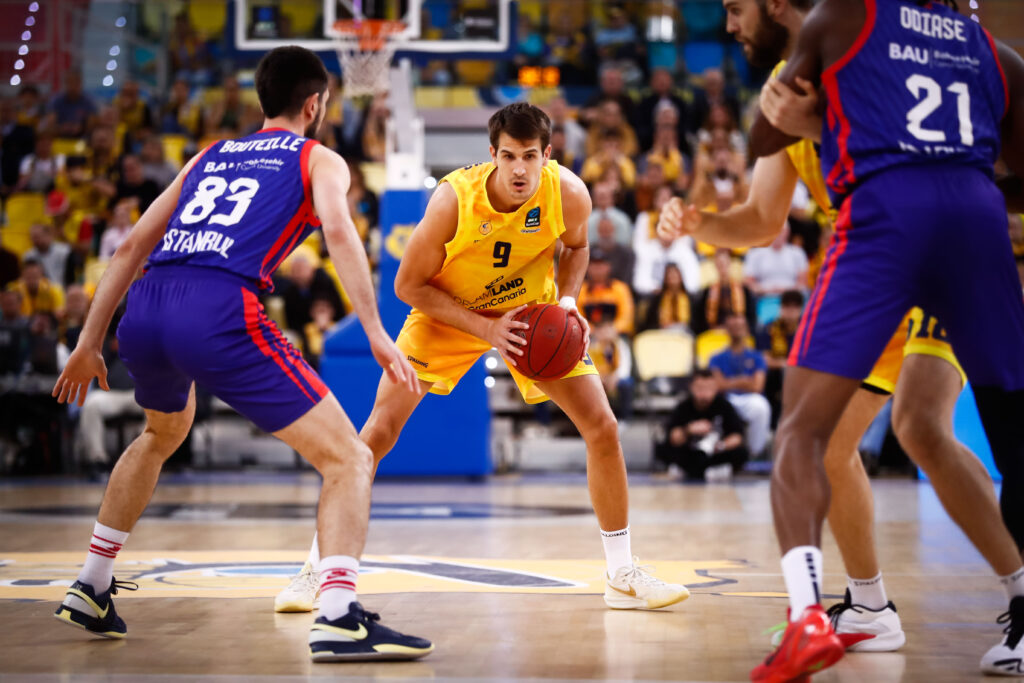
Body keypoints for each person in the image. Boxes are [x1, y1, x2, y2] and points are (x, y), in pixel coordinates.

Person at [661, 1, 1024, 674]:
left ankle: (1014, 592)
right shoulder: (794, 77)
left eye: (736, 9)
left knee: (918, 426)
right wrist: (697, 224)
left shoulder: (873, 43)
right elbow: (761, 219)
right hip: (897, 256)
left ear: (776, 6)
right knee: (835, 442)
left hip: (913, 238)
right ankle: (869, 607)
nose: (730, 25)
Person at [49, 46, 432, 662]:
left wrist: (87, 342)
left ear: (262, 100)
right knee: (349, 460)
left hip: (146, 307)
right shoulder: (320, 158)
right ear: (314, 103)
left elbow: (127, 251)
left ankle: (91, 583)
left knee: (161, 432)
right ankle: (338, 614)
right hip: (219, 308)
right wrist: (376, 332)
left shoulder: (208, 154)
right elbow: (338, 235)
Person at [275, 102, 688, 614]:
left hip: (527, 318)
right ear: (492, 154)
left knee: (603, 426)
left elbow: (576, 248)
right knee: (374, 437)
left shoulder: (570, 193)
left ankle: (622, 572)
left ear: (547, 155)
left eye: (530, 156)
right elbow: (407, 285)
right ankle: (315, 569)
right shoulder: (453, 201)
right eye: (509, 156)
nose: (520, 169)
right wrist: (485, 328)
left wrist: (567, 302)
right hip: (447, 315)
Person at [661, 369, 748, 481]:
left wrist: (720, 446)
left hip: (715, 453)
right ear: (692, 387)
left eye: (709, 388)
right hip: (689, 452)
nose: (704, 393)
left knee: (741, 453)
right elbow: (673, 437)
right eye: (700, 388)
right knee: (665, 449)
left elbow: (737, 436)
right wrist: (689, 430)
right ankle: (688, 469)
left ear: (715, 388)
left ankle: (711, 470)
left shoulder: (724, 406)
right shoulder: (683, 407)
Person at [708, 313, 771, 457]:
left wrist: (729, 382)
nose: (736, 330)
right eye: (732, 326)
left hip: (750, 399)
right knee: (716, 405)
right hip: (726, 399)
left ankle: (755, 452)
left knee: (761, 406)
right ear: (726, 330)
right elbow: (717, 385)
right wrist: (743, 381)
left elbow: (757, 386)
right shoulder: (716, 357)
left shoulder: (757, 357)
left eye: (740, 326)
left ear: (747, 329)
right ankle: (722, 451)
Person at [758, 289, 804, 425]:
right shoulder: (769, 329)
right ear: (780, 308)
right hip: (775, 377)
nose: (790, 311)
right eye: (786, 306)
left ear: (800, 309)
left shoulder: (807, 330)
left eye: (794, 307)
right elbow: (764, 359)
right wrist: (787, 364)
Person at [25, 222, 72, 287]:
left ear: (48, 235)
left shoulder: (65, 251)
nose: (36, 240)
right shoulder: (29, 256)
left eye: (38, 236)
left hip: (64, 287)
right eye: (33, 237)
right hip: (42, 291)